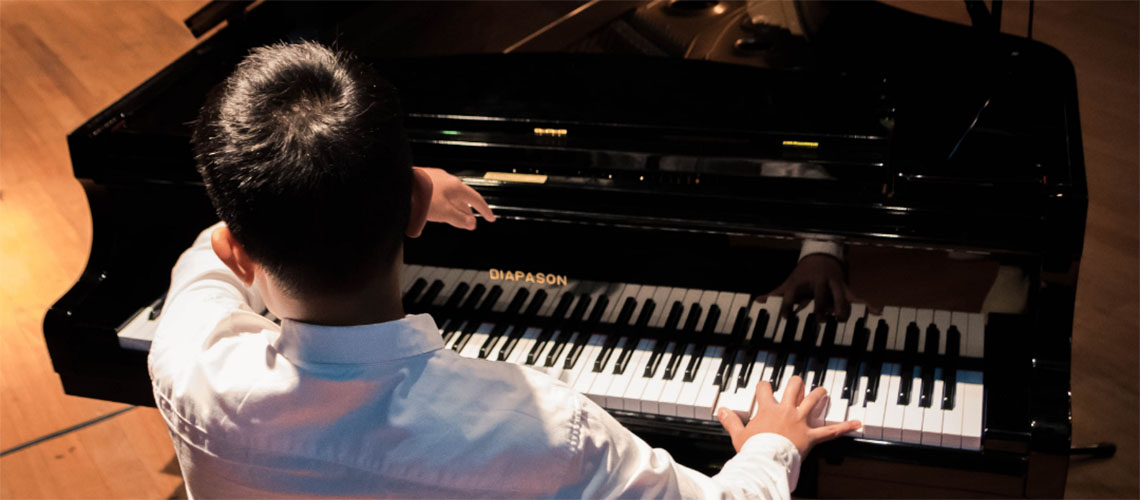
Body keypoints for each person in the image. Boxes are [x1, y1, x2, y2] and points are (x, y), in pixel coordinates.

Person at [149, 41, 860, 499]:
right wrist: (773, 445)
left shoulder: (186, 363)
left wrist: (400, 184)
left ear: (242, 249)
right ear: (410, 214)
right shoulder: (546, 432)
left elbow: (205, 256)